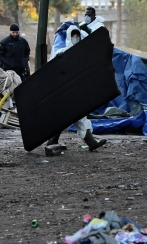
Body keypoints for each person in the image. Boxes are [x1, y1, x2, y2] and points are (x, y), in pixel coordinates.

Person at [44, 25, 107, 155]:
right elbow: (50, 71)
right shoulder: (61, 52)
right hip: (64, 91)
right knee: (67, 117)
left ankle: (91, 143)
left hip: (77, 92)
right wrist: (58, 60)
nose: (76, 38)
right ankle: (53, 141)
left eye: (77, 35)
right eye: (73, 35)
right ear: (69, 36)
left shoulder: (82, 53)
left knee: (79, 117)